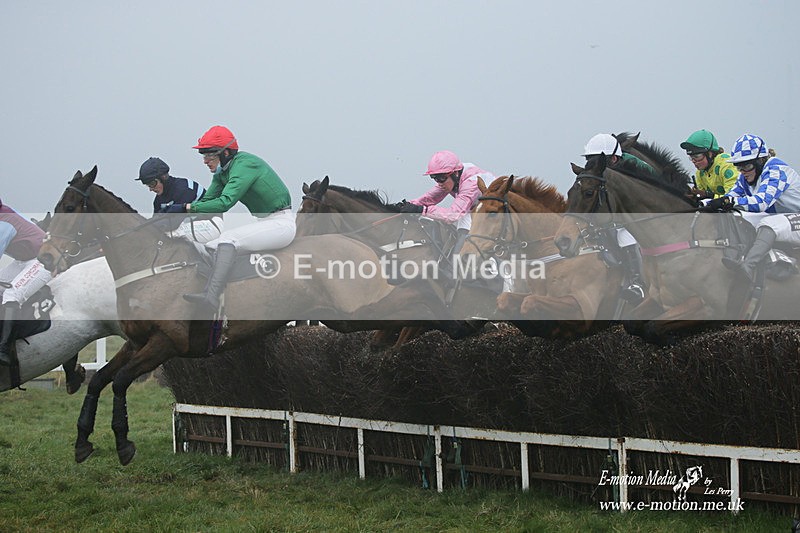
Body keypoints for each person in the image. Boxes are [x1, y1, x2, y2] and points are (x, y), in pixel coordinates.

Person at [182, 125, 295, 312]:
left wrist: (187, 208)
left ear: (225, 153)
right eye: (203, 155)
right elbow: (206, 202)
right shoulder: (222, 173)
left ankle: (211, 297)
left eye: (209, 155)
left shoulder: (244, 165)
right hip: (266, 223)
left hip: (281, 224)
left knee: (228, 239)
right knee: (209, 247)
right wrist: (176, 213)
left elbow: (225, 203)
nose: (205, 161)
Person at [705, 134, 800, 281]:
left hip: (795, 217)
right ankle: (734, 256)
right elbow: (730, 197)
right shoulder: (744, 176)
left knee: (769, 224)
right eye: (739, 166)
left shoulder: (776, 170)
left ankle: (748, 266)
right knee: (735, 216)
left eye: (747, 166)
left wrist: (729, 201)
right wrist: (704, 203)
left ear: (761, 161)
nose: (743, 171)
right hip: (780, 217)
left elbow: (761, 202)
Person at [582, 133, 652, 304]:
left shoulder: (634, 167)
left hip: (649, 210)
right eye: (590, 160)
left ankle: (637, 284)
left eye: (597, 161)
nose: (593, 165)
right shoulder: (603, 172)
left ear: (613, 158)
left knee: (624, 234)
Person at [0, 200, 52, 366]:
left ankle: (3, 349)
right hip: (23, 260)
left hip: (43, 260)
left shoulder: (4, 222)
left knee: (11, 294)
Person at [398, 150, 495, 233]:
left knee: (463, 220)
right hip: (480, 211)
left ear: (455, 173)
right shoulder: (452, 177)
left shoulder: (471, 183)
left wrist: (422, 210)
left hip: (496, 217)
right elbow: (429, 198)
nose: (439, 183)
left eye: (441, 178)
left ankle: (461, 250)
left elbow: (453, 215)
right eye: (435, 178)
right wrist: (406, 205)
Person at [136, 157, 223, 243]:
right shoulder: (158, 201)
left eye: (152, 184)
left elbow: (173, 223)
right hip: (191, 225)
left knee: (169, 236)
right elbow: (154, 225)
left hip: (211, 224)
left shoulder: (183, 189)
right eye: (148, 185)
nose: (151, 189)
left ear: (164, 177)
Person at [680, 129, 738, 199]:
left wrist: (709, 195)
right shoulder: (700, 173)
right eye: (691, 157)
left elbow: (734, 198)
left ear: (710, 154)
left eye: (697, 156)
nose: (694, 161)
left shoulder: (727, 165)